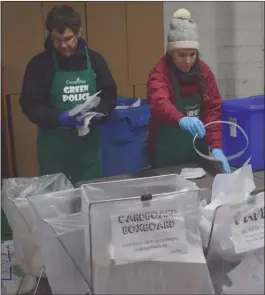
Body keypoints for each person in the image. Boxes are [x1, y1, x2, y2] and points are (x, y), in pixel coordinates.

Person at [20, 5, 117, 183]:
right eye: (57, 40)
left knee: (88, 196)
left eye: (68, 39)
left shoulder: (95, 60)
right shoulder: (38, 65)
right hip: (54, 149)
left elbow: (109, 95)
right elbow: (30, 105)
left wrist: (100, 113)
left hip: (87, 150)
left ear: (79, 32)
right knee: (54, 199)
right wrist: (59, 118)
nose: (63, 45)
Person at [147, 8, 231, 173]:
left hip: (196, 153)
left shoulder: (204, 72)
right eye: (182, 54)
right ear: (171, 52)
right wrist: (181, 119)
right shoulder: (160, 73)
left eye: (192, 54)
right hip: (166, 154)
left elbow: (212, 111)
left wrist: (215, 147)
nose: (188, 61)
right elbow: (159, 102)